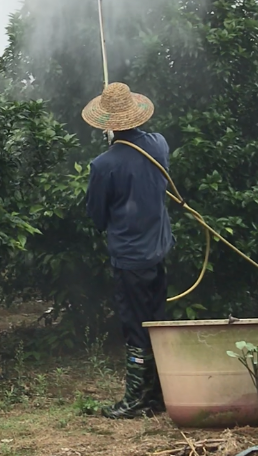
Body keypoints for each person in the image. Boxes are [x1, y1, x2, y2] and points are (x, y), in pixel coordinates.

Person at [82, 82, 173, 419]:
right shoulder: (159, 145)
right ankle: (160, 395)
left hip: (130, 258)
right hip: (158, 250)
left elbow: (97, 215)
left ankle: (137, 399)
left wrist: (113, 147)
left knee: (136, 327)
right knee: (158, 322)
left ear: (107, 122)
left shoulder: (104, 165)